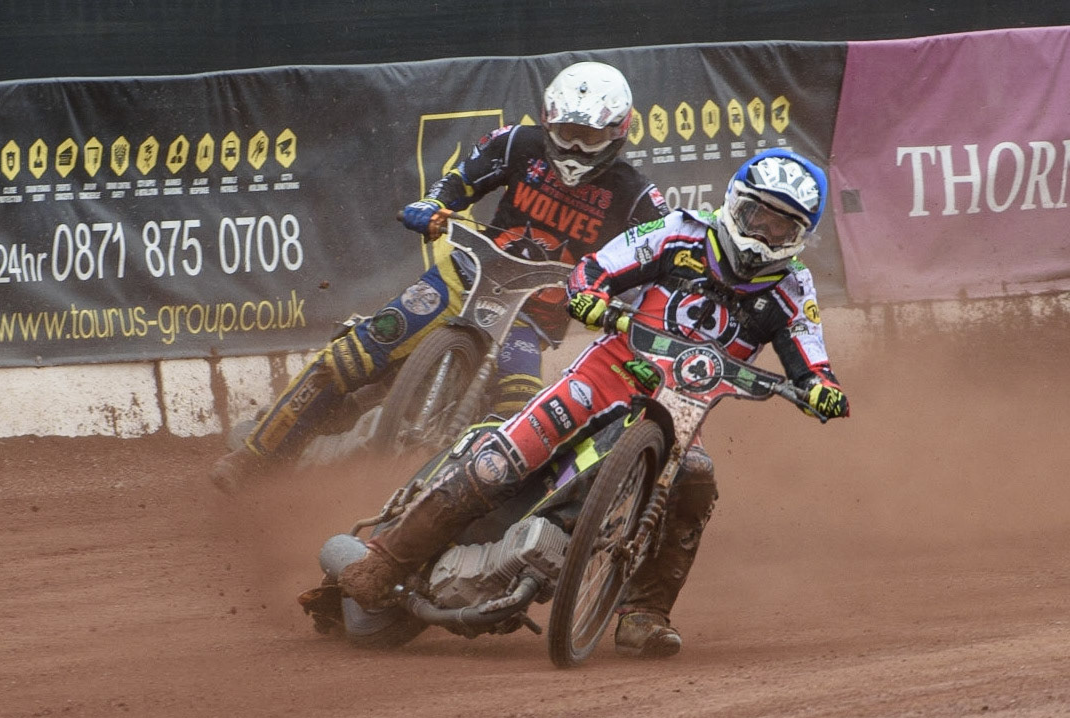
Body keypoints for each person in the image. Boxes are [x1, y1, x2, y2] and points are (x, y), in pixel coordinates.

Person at [337, 148, 851, 658]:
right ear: (735, 203)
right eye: (756, 215)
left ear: (800, 236)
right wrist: (589, 294)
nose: (763, 234)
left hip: (684, 405)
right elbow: (597, 267)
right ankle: (384, 561)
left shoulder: (791, 288)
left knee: (695, 477)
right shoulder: (679, 232)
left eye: (781, 227)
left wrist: (821, 388)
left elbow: (811, 357)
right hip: (607, 372)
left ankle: (645, 614)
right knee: (502, 460)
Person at [210, 61, 670, 492]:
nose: (573, 147)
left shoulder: (636, 197)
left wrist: (637, 310)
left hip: (532, 316)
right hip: (463, 278)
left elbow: (663, 264)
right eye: (566, 132)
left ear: (617, 130)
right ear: (548, 122)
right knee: (353, 353)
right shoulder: (517, 143)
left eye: (587, 136)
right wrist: (432, 205)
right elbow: (462, 180)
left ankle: (474, 526)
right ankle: (256, 458)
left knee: (520, 417)